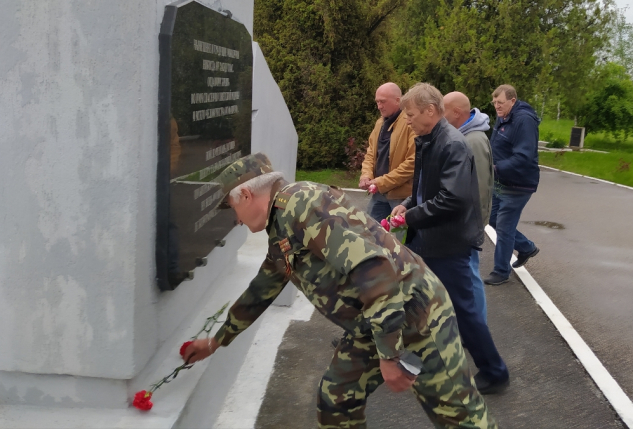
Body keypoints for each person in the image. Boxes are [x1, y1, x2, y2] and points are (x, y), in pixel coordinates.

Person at [184, 153, 496, 428]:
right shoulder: (281, 220)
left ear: (247, 194)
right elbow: (263, 288)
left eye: (232, 208)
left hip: (417, 315)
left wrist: (389, 356)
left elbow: (374, 269)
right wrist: (216, 340)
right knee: (337, 398)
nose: (235, 220)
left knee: (459, 416)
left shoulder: (301, 205)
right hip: (374, 322)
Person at [392, 83, 509, 394]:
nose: (407, 120)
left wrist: (410, 217)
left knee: (463, 311)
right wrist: (407, 205)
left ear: (430, 111)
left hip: (448, 244)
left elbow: (452, 199)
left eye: (411, 114)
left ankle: (494, 371)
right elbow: (424, 189)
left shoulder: (452, 143)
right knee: (416, 302)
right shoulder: (429, 139)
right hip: (428, 239)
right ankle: (417, 360)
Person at [443, 91, 494, 323]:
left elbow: (480, 187)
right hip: (463, 221)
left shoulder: (473, 140)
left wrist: (471, 225)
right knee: (463, 273)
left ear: (456, 112)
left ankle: (478, 327)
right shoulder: (463, 136)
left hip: (468, 223)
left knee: (470, 274)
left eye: (444, 110)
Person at [484, 85, 540, 286]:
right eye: (494, 103)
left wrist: (496, 168)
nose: (497, 106)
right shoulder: (504, 116)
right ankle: (526, 247)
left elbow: (524, 156)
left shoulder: (524, 120)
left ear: (513, 100)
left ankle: (501, 271)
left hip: (518, 184)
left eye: (500, 102)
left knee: (505, 226)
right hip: (500, 181)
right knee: (492, 218)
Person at [360, 82, 416, 223]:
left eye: (383, 102)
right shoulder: (380, 123)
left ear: (398, 100)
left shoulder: (410, 123)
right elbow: (371, 154)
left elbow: (413, 162)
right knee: (370, 231)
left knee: (400, 236)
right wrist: (366, 175)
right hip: (379, 192)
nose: (379, 106)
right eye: (377, 102)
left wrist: (382, 182)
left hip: (401, 197)